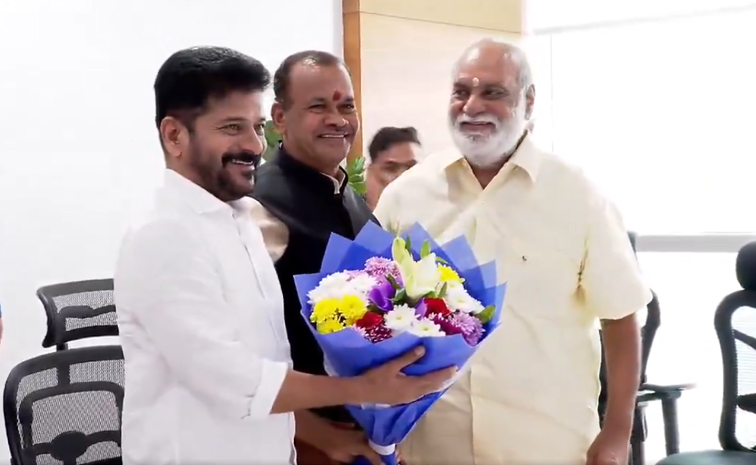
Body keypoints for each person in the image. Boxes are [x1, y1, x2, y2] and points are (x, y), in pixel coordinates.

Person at [114, 46, 455, 465]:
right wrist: (363, 390)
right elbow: (234, 380)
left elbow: (275, 358)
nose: (254, 145)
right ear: (174, 136)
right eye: (232, 128)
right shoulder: (163, 236)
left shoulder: (237, 220)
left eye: (255, 128)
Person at [374, 39, 650, 465]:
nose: (472, 106)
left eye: (493, 92)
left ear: (529, 100)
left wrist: (617, 432)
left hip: (548, 446)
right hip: (435, 447)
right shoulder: (405, 196)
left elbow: (620, 317)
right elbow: (373, 315)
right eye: (461, 91)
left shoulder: (576, 195)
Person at [249, 50, 382, 465]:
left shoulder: (353, 199)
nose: (337, 120)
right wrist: (316, 433)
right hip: (299, 441)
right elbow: (235, 359)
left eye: (346, 106)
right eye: (318, 106)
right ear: (280, 117)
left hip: (365, 431)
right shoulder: (256, 206)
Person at [365, 126, 421, 210]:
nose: (402, 177)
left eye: (411, 168)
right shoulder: (351, 214)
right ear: (371, 172)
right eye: (391, 169)